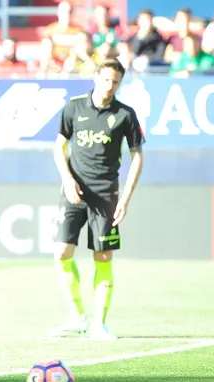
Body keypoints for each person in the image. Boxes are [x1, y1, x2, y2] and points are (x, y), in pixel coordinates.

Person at [50, 58, 144, 341]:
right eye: (105, 80)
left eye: (115, 82)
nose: (109, 86)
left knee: (102, 257)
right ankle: (77, 316)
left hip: (106, 195)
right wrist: (67, 180)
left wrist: (125, 198)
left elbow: (137, 156)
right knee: (61, 253)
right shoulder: (74, 108)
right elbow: (59, 146)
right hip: (74, 191)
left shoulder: (125, 115)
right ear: (96, 79)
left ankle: (99, 325)